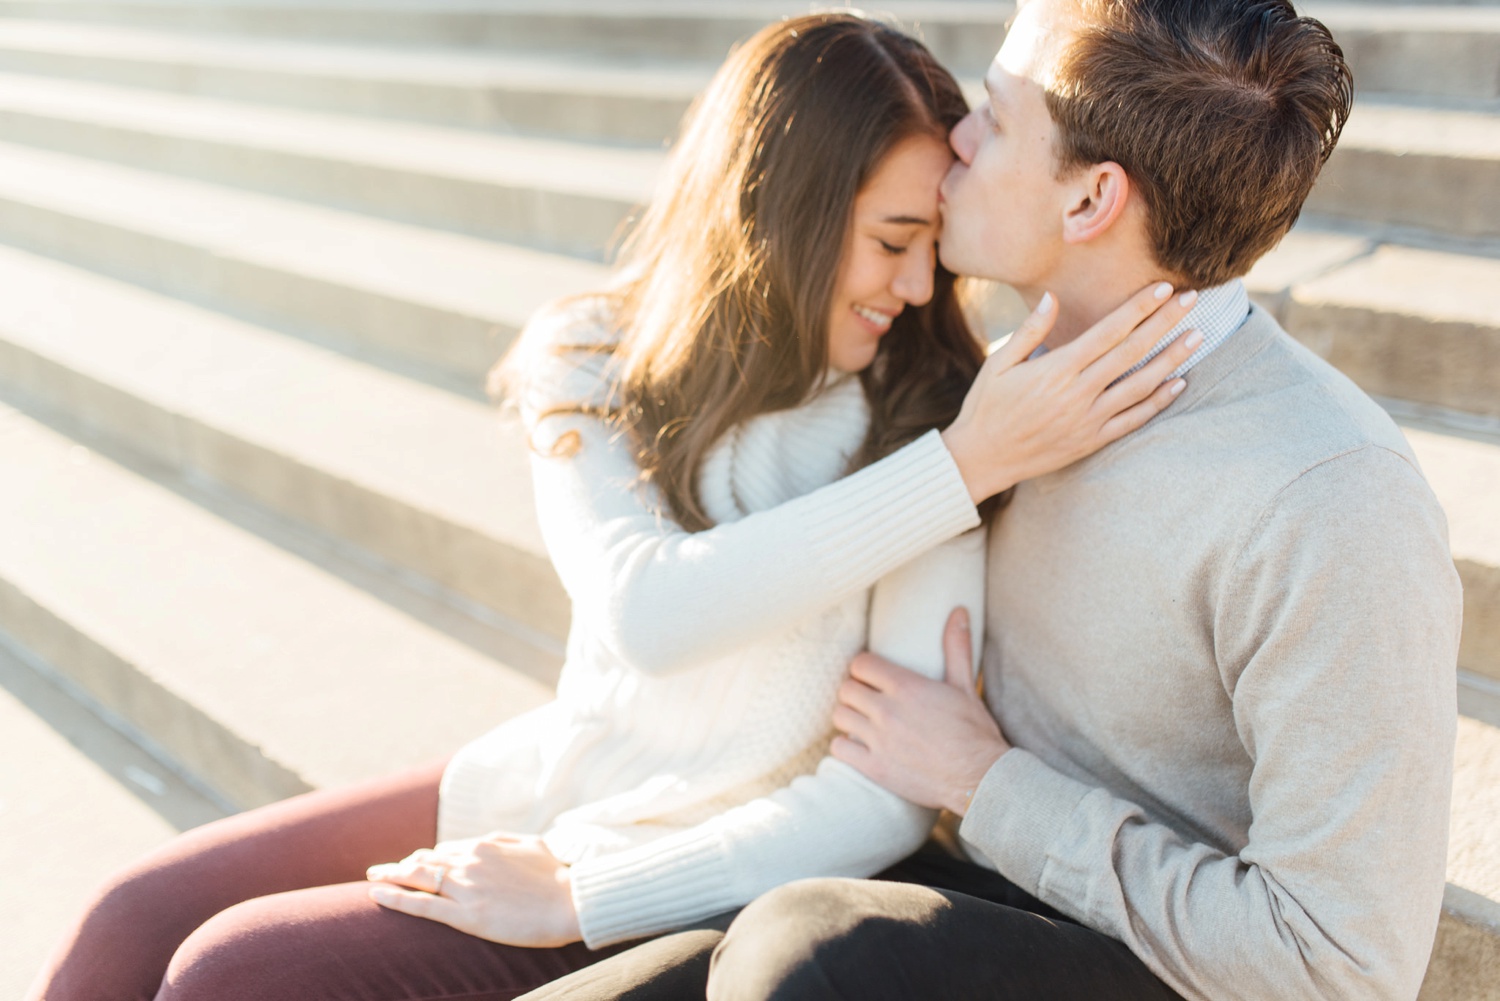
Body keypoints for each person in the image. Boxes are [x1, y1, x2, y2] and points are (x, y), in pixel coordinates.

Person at [25, 14, 1204, 1001]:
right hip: (564, 774)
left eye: (932, 257)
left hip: (683, 861)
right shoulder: (591, 349)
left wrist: (582, 892)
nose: (913, 286)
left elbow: (876, 796)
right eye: (892, 242)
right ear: (783, 215)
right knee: (127, 921)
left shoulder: (932, 413)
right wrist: (957, 468)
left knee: (232, 974)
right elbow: (648, 611)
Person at [522, 1, 1464, 999]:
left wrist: (987, 782)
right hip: (954, 886)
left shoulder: (1328, 494)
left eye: (998, 118)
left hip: (1149, 963)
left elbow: (1341, 970)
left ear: (1091, 199)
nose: (958, 136)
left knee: (807, 950)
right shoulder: (1006, 388)